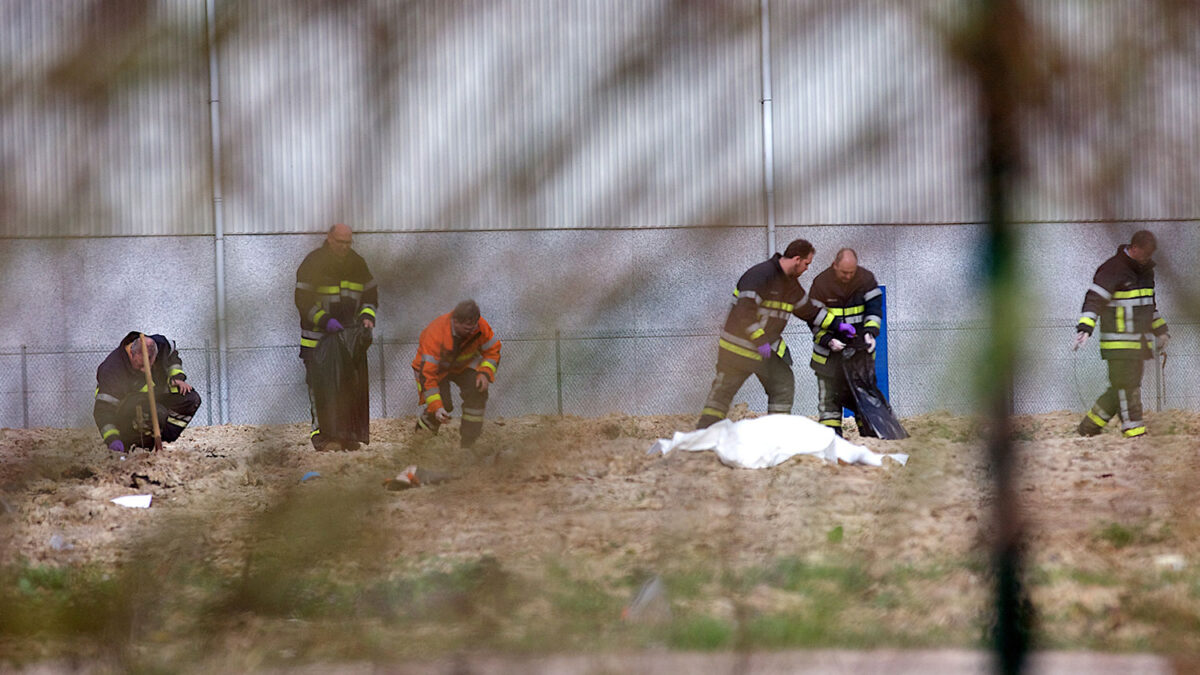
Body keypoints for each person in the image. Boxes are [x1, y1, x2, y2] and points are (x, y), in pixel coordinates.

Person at [696, 239, 826, 429]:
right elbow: (744, 310)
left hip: (765, 350)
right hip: (738, 350)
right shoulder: (759, 275)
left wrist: (839, 327)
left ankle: (776, 434)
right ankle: (703, 433)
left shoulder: (791, 286)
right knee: (722, 394)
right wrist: (759, 339)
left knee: (782, 384)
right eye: (807, 264)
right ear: (797, 259)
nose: (807, 269)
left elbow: (810, 311)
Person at [1073, 230, 1168, 439]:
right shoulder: (1112, 269)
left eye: (1150, 256)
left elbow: (1148, 306)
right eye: (1144, 254)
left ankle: (1089, 427)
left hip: (1138, 344)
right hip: (1117, 344)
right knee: (1128, 387)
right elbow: (1094, 300)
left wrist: (1161, 331)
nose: (1146, 259)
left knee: (1119, 389)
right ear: (1134, 248)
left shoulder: (1146, 272)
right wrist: (1085, 328)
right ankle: (1134, 432)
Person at [295, 223, 377, 450]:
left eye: (348, 242)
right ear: (329, 238)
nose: (344, 247)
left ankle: (345, 436)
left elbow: (370, 294)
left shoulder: (357, 264)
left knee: (348, 389)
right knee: (319, 390)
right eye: (340, 242)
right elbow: (303, 301)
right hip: (317, 342)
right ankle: (323, 437)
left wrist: (367, 316)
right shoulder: (313, 263)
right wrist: (324, 320)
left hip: (347, 344)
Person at [806, 248, 885, 437]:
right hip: (828, 356)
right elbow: (813, 318)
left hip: (859, 355)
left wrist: (870, 333)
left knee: (863, 399)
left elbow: (874, 310)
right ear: (835, 265)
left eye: (852, 272)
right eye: (844, 272)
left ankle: (870, 438)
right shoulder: (821, 283)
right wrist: (828, 340)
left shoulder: (866, 279)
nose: (848, 276)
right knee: (829, 402)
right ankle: (831, 439)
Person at [412, 300, 501, 448]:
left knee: (477, 392)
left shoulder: (480, 326)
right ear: (455, 321)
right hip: (433, 371)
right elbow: (427, 375)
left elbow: (493, 352)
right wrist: (436, 406)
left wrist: (485, 373)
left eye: (474, 326)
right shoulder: (435, 333)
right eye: (467, 328)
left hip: (462, 366)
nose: (472, 331)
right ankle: (421, 441)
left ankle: (469, 445)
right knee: (442, 405)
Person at [93, 332, 201, 452]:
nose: (145, 370)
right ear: (131, 353)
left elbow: (172, 356)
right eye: (140, 366)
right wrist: (112, 439)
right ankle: (138, 445)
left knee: (190, 399)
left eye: (149, 365)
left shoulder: (160, 345)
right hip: (126, 409)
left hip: (154, 394)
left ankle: (162, 440)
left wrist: (177, 378)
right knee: (157, 412)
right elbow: (103, 410)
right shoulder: (112, 370)